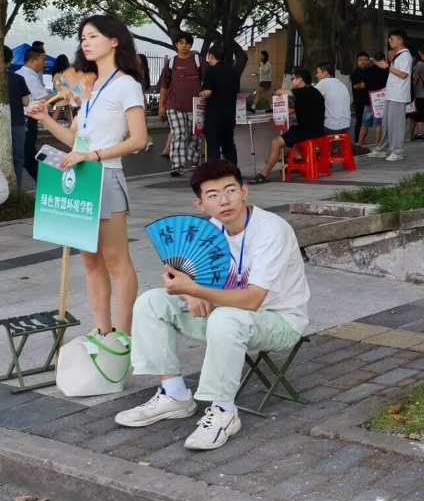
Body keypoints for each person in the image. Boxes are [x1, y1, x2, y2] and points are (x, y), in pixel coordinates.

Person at [114, 160, 310, 450]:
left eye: (230, 190)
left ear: (244, 192)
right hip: (225, 315)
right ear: (200, 204)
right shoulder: (212, 229)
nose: (224, 200)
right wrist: (189, 293)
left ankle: (224, 411)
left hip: (278, 320)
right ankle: (174, 394)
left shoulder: (271, 230)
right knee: (151, 302)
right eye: (213, 195)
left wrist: (195, 289)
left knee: (225, 318)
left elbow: (253, 299)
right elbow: (181, 276)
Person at [27, 15, 148, 348]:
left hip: (106, 176)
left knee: (116, 261)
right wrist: (45, 118)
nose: (86, 42)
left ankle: (125, 337)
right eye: (83, 37)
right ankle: (102, 330)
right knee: (90, 260)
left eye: (93, 36)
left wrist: (93, 156)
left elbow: (138, 139)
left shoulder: (126, 84)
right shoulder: (86, 87)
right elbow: (75, 139)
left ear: (114, 40)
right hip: (80, 178)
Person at [248, 69, 325, 183]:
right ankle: (298, 159)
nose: (291, 81)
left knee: (276, 142)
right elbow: (302, 108)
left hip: (308, 130)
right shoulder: (314, 91)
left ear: (300, 80)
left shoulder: (301, 92)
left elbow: (280, 91)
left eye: (293, 79)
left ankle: (264, 174)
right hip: (317, 129)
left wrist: (277, 93)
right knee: (290, 131)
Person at [159, 34, 204, 176]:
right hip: (174, 105)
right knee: (179, 134)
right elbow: (164, 86)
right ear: (176, 44)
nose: (184, 46)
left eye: (187, 43)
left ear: (191, 45)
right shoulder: (171, 63)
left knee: (195, 135)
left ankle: (195, 162)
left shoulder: (198, 61)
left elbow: (209, 82)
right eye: (181, 43)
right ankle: (177, 166)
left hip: (195, 106)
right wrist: (161, 105)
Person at [367, 31, 411, 162]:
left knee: (396, 125)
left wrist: (386, 67)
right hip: (391, 94)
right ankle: (382, 149)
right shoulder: (398, 55)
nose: (390, 41)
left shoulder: (405, 56)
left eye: (392, 39)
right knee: (387, 124)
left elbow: (403, 74)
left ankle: (397, 151)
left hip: (398, 95)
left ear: (400, 41)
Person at [200, 45, 240, 165]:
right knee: (229, 145)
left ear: (211, 56)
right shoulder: (234, 72)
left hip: (214, 115)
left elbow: (208, 92)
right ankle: (233, 170)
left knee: (214, 148)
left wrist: (202, 93)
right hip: (229, 114)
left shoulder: (211, 71)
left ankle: (215, 173)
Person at [17, 46, 49, 182]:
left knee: (27, 152)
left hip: (22, 119)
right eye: (43, 60)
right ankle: (43, 181)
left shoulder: (19, 73)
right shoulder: (30, 77)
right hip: (28, 119)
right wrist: (64, 93)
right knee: (27, 153)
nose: (45, 63)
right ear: (33, 60)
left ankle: (42, 180)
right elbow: (45, 98)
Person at [6, 47, 29, 189]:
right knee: (18, 159)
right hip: (17, 124)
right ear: (10, 61)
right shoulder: (18, 78)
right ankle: (16, 189)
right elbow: (26, 102)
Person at [358, 52, 388, 149]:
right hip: (381, 100)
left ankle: (359, 144)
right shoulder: (387, 71)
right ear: (384, 59)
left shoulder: (367, 70)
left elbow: (362, 85)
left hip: (369, 100)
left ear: (374, 60)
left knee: (364, 123)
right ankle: (377, 144)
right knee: (379, 124)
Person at [313, 63, 351, 134]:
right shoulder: (341, 84)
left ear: (325, 73)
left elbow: (308, 96)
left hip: (331, 128)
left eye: (318, 72)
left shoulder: (324, 82)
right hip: (346, 126)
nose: (316, 75)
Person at [349, 51, 372, 143]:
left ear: (368, 61)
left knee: (366, 121)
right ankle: (357, 140)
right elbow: (356, 85)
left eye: (365, 60)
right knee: (359, 121)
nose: (363, 62)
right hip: (359, 100)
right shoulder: (355, 73)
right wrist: (366, 84)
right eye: (360, 60)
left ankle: (362, 139)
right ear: (357, 62)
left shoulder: (369, 71)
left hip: (369, 99)